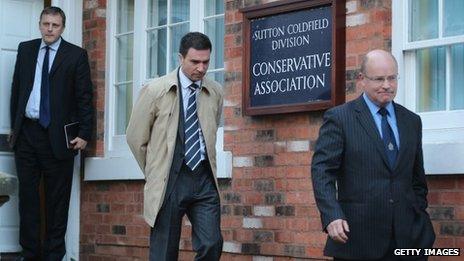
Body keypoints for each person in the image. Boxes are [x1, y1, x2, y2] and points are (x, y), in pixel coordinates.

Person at [311, 49, 435, 260]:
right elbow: (322, 172)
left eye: (392, 78)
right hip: (359, 240)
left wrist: (419, 215)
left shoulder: (412, 121)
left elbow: (417, 178)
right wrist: (332, 215)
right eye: (379, 79)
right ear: (362, 80)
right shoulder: (340, 118)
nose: (387, 85)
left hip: (408, 241)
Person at [126, 32, 223, 261]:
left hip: (203, 179)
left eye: (206, 62)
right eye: (195, 62)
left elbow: (211, 129)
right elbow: (135, 137)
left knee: (212, 243)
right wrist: (155, 170)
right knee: (164, 252)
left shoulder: (215, 91)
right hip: (169, 180)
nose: (201, 68)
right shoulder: (155, 90)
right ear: (180, 58)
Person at [9, 6, 93, 261]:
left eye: (55, 25)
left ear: (62, 28)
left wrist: (85, 133)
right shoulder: (26, 50)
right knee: (28, 200)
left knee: (57, 202)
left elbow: (85, 97)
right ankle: (30, 254)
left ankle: (55, 255)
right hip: (27, 136)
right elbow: (17, 90)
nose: (49, 29)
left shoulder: (76, 55)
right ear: (40, 24)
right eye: (46, 24)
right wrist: (16, 127)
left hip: (59, 139)